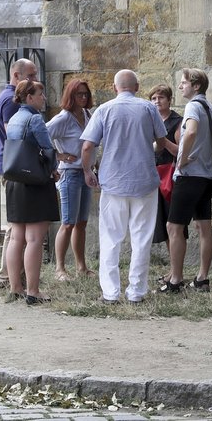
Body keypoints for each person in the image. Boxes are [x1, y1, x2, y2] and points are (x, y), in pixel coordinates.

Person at [81, 70, 175, 304]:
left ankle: (110, 293)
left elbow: (87, 146)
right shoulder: (148, 108)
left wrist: (87, 170)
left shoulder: (104, 109)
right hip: (144, 180)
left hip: (113, 182)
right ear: (137, 86)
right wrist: (148, 147)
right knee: (141, 238)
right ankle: (136, 292)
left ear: (115, 88)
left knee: (111, 238)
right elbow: (162, 141)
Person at [161, 68, 212, 294]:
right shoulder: (210, 107)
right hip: (206, 176)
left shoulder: (193, 106)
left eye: (184, 83)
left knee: (174, 226)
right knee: (204, 226)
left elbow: (190, 133)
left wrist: (181, 161)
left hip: (189, 176)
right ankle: (202, 278)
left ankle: (175, 281)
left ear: (196, 85)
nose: (181, 86)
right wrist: (209, 153)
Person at [4, 79, 59, 304]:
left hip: (15, 181)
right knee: (35, 238)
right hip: (35, 181)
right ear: (29, 97)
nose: (44, 98)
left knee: (17, 238)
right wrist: (53, 170)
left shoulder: (15, 118)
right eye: (40, 94)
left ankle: (15, 288)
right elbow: (47, 150)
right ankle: (33, 292)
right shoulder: (35, 119)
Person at [0, 58, 39, 289]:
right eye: (30, 75)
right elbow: (17, 137)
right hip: (15, 168)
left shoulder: (8, 97)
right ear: (16, 75)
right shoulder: (12, 101)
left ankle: (12, 276)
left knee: (16, 227)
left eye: (35, 75)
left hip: (10, 166)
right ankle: (6, 277)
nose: (34, 80)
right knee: (15, 227)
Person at [46, 79, 95, 281]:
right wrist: (59, 156)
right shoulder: (63, 118)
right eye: (79, 94)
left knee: (82, 222)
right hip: (70, 174)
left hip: (86, 173)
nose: (83, 97)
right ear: (71, 96)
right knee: (67, 223)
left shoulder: (87, 114)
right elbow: (40, 136)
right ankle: (59, 269)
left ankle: (81, 267)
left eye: (85, 94)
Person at [148, 83, 186, 281]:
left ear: (169, 100)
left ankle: (176, 272)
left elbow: (180, 151)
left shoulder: (178, 121)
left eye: (161, 98)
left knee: (174, 224)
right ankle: (173, 270)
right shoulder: (149, 120)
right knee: (163, 224)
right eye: (153, 99)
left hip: (171, 175)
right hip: (154, 176)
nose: (157, 102)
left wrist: (162, 141)